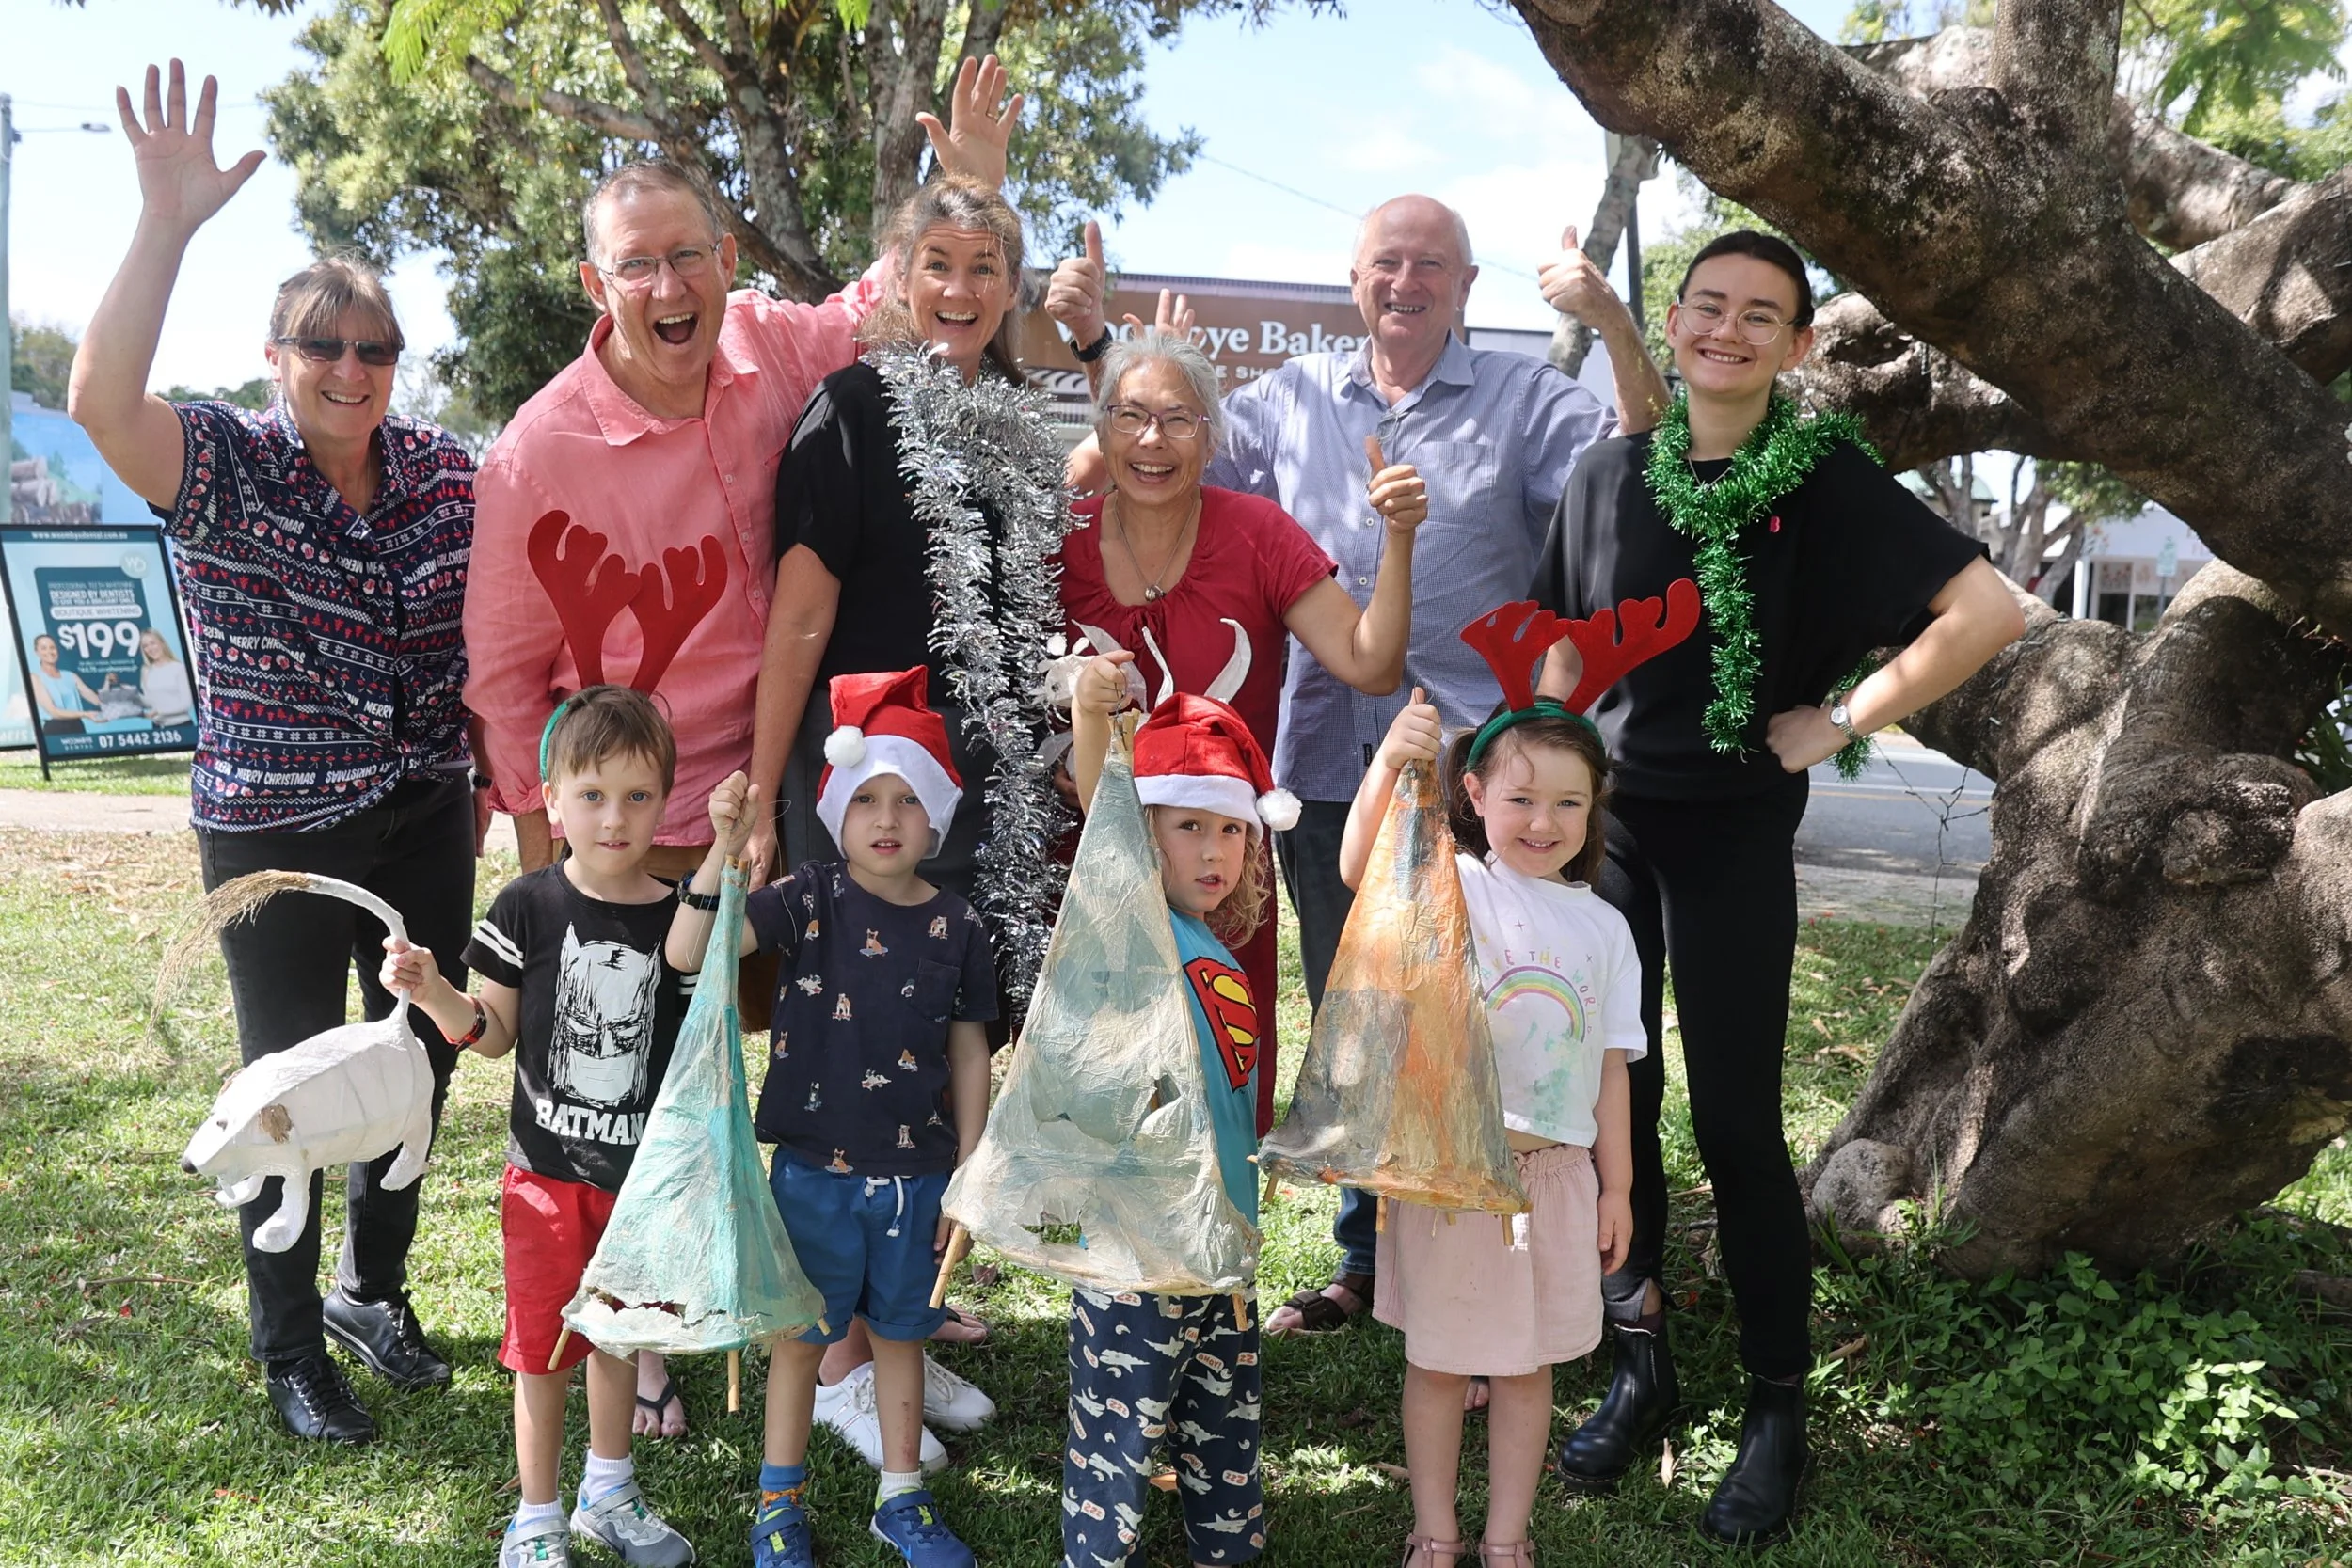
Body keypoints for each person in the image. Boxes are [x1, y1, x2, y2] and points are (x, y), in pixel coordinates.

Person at [465, 64, 1020, 1434]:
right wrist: (552, 873)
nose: (669, 284)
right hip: (645, 812)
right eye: (635, 263)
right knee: (638, 1081)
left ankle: (846, 1317)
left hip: (790, 784)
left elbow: (908, 296)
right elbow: (503, 673)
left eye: (689, 256)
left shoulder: (774, 346)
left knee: (822, 1052)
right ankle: (643, 1331)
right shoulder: (536, 453)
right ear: (597, 284)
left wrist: (981, 186)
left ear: (724, 265)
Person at [1049, 194, 1671, 1343]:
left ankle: (1512, 1252)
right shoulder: (1289, 396)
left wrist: (1611, 321)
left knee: (1485, 1007)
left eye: (1431, 264)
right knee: (1361, 1010)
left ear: (1466, 284)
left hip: (1480, 773)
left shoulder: (1525, 398)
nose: (1406, 281)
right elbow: (1151, 447)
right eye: (1386, 261)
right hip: (1328, 765)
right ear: (1354, 279)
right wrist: (1098, 350)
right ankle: (1367, 1256)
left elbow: (1643, 451)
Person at [1532, 230, 2026, 1544]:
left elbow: (1987, 611)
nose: (1730, 331)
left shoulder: (1824, 482)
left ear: (1797, 345)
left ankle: (1776, 1408)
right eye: (1709, 306)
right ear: (1674, 320)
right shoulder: (1606, 473)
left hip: (1737, 836)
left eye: (1764, 315)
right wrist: (1520, 787)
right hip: (1606, 844)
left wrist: (1840, 715)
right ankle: (1641, 1366)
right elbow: (1563, 653)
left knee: (1738, 1127)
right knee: (1604, 1113)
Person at [69, 59, 480, 1444]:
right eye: (323, 345)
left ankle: (376, 1287)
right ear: (277, 356)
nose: (351, 370)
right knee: (288, 1087)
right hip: (276, 826)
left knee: (420, 1047)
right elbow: (99, 400)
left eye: (374, 349)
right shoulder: (225, 465)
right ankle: (291, 1346)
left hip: (426, 807)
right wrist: (166, 225)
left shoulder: (443, 474)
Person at [743, 172, 1067, 1456]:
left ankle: (901, 1333)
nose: (961, 288)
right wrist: (770, 801)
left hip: (984, 788)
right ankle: (830, 1357)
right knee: (846, 1057)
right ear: (895, 273)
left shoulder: (1016, 422)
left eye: (986, 266)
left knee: (941, 1058)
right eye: (937, 262)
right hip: (866, 784)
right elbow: (802, 614)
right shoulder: (851, 407)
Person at [1054, 327, 1428, 1132]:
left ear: (1212, 437)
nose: (1152, 439)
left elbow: (1371, 665)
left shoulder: (1255, 531)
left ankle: (1221, 1256)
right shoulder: (1060, 538)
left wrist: (1399, 539)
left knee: (1220, 1085)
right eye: (1130, 415)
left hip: (1223, 873)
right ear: (1101, 425)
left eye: (1179, 419)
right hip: (1093, 866)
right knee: (1102, 1100)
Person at [673, 669, 996, 1568]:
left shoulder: (960, 925)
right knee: (800, 1345)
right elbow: (690, 950)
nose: (885, 817)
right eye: (866, 799)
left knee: (900, 1336)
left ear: (935, 818)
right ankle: (779, 1504)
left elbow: (970, 1052)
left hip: (917, 1179)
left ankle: (903, 1498)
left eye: (906, 799)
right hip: (812, 1175)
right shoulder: (807, 896)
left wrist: (970, 1168)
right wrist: (722, 847)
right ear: (834, 812)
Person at [381, 687, 697, 1568]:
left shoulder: (680, 914)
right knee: (543, 1350)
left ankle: (609, 1488)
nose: (614, 816)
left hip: (641, 1182)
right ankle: (538, 1513)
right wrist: (435, 990)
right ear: (551, 799)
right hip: (547, 1178)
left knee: (619, 1337)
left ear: (664, 800)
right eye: (591, 794)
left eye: (637, 795)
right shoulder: (526, 905)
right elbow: (492, 1035)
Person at [1341, 686, 1640, 1568]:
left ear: (1594, 808)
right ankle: (1435, 1531)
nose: (1542, 820)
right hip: (1451, 1173)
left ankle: (1507, 1537)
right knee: (1437, 1364)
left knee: (1527, 1368)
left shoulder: (1607, 926)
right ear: (1472, 794)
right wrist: (1392, 761)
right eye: (1519, 797)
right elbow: (1363, 867)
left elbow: (1611, 1070)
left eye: (1567, 801)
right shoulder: (1456, 883)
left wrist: (1615, 1184)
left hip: (1552, 1181)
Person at [1061, 660, 1279, 1568]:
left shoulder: (1218, 946)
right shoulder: (1132, 922)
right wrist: (1087, 711)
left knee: (1224, 1431)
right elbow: (1099, 814)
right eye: (1188, 825)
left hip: (1221, 1244)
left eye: (1230, 829)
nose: (1213, 850)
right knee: (1119, 1443)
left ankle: (1226, 1547)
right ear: (1141, 834)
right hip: (1133, 1255)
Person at [29, 634, 103, 735]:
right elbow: (53, 712)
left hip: (77, 726)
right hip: (55, 729)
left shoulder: (70, 676)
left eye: (52, 647)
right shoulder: (35, 678)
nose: (49, 652)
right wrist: (86, 714)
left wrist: (123, 702)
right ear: (36, 652)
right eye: (44, 648)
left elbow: (96, 699)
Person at [136, 626, 194, 724]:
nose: (150, 649)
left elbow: (186, 704)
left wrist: (159, 712)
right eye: (145, 646)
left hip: (181, 725)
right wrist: (133, 696)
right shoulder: (146, 671)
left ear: (162, 643)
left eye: (152, 643)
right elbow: (150, 702)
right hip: (158, 728)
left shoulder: (179, 668)